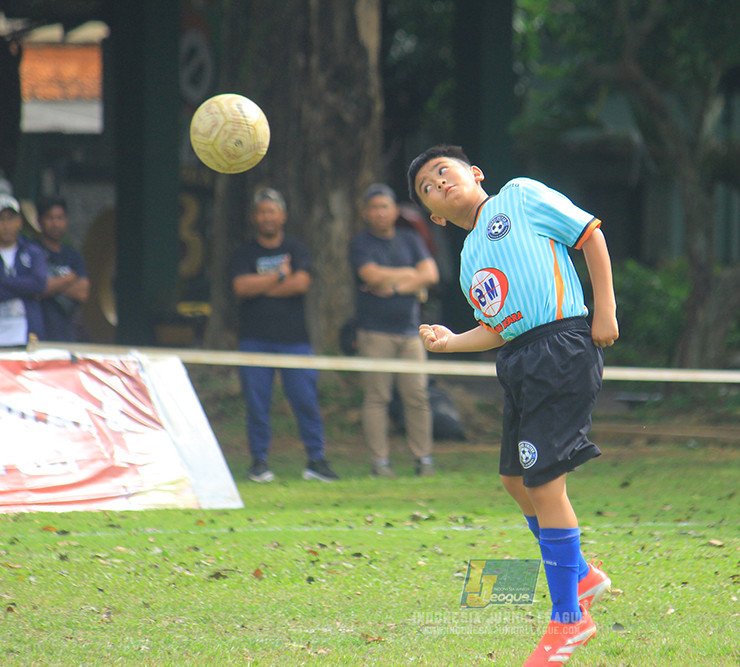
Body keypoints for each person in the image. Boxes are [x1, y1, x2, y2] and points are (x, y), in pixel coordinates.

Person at [408, 145, 618, 666]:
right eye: (428, 188)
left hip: (563, 347)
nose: (439, 183)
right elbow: (495, 329)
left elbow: (590, 234)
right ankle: (583, 575)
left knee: (544, 483)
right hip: (521, 361)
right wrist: (449, 340)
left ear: (474, 173)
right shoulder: (467, 260)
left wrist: (605, 310)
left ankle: (570, 620)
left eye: (443, 171)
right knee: (514, 480)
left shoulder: (520, 196)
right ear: (435, 215)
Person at [230, 187, 339, 483]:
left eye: (272, 211)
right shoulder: (245, 252)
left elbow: (301, 283)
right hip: (254, 339)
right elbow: (241, 288)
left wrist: (261, 286)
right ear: (255, 217)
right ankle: (259, 463)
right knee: (257, 404)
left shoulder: (296, 248)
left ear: (283, 216)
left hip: (295, 340)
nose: (267, 217)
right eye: (262, 211)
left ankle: (316, 460)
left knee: (305, 400)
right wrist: (278, 276)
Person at [349, 183, 440, 478]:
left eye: (384, 207)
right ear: (365, 212)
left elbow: (431, 274)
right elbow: (370, 275)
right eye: (374, 207)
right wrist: (412, 275)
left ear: (394, 210)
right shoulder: (361, 244)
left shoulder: (410, 238)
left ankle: (423, 459)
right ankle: (380, 463)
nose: (379, 213)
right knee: (377, 398)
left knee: (417, 397)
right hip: (374, 332)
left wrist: (397, 286)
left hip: (411, 331)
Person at [34, 196, 90, 342]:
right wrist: (68, 279)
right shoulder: (32, 251)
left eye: (60, 218)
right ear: (39, 221)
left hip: (66, 333)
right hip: (37, 332)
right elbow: (36, 288)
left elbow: (82, 293)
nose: (55, 223)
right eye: (50, 218)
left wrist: (50, 284)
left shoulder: (73, 256)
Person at [0, 193, 47, 347]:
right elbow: (30, 285)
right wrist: (22, 286)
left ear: (20, 221)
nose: (5, 225)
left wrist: (4, 283)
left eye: (10, 218)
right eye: (1, 219)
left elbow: (38, 284)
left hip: (27, 334)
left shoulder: (33, 252)